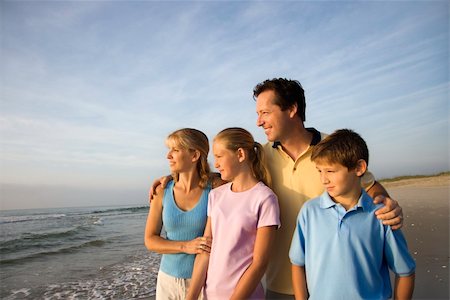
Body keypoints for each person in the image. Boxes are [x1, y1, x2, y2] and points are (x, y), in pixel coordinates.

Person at [253, 78, 404, 298]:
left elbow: (371, 187)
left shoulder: (333, 148)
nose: (259, 121)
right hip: (279, 283)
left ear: (292, 109)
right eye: (258, 114)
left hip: (335, 286)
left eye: (265, 112)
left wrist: (386, 205)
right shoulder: (260, 159)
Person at [289, 129, 415, 299]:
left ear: (359, 168)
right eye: (320, 171)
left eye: (331, 171)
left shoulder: (381, 216)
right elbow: (297, 263)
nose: (324, 179)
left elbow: (405, 271)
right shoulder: (309, 212)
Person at [186, 127, 280, 300]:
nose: (216, 164)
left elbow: (259, 264)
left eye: (220, 156)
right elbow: (205, 251)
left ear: (240, 154)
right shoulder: (216, 195)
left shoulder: (265, 198)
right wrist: (190, 297)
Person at [144, 128, 224, 300]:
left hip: (205, 282)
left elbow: (243, 177)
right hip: (167, 281)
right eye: (169, 150)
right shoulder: (162, 191)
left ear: (194, 155)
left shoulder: (217, 188)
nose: (168, 156)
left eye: (175, 150)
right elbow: (150, 240)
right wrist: (185, 246)